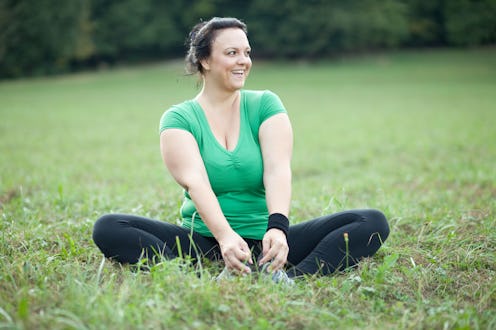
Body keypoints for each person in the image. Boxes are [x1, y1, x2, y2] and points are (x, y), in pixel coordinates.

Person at [92, 17, 390, 282]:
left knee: (371, 222)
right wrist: (225, 238)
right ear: (205, 61)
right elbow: (196, 181)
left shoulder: (265, 104)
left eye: (246, 52)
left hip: (266, 240)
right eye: (231, 53)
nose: (243, 61)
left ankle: (288, 280)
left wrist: (278, 229)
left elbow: (277, 170)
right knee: (108, 227)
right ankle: (195, 276)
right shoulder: (178, 118)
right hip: (203, 241)